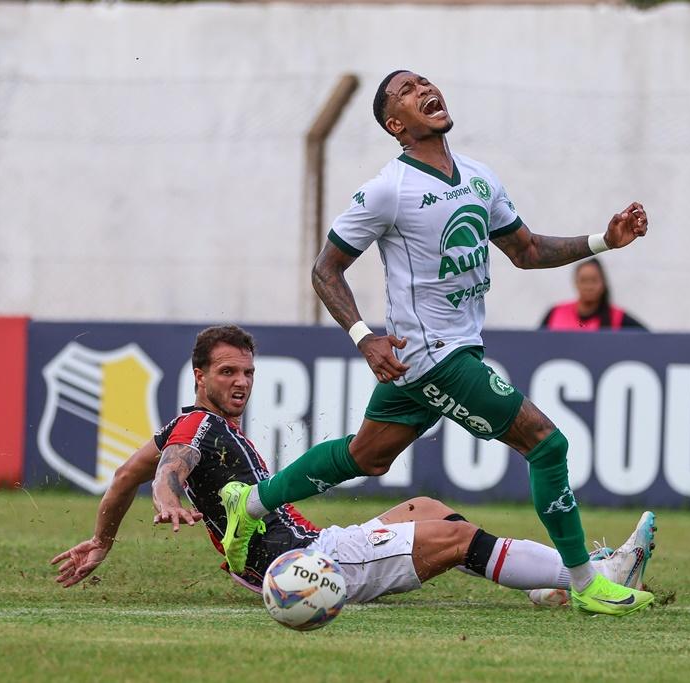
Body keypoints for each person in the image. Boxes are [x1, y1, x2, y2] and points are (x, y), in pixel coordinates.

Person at [218, 70, 654, 616]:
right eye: (406, 90)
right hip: (433, 358)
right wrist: (363, 338)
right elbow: (326, 271)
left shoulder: (479, 178)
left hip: (435, 357)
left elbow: (527, 250)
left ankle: (250, 502)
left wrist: (603, 241)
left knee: (366, 456)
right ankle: (587, 583)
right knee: (547, 444)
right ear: (396, 124)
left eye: (425, 81)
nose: (424, 88)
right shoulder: (387, 190)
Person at [50, 325, 657, 608]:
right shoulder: (198, 427)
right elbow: (165, 467)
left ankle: (549, 584)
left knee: (424, 509)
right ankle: (596, 573)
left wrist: (103, 539)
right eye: (227, 372)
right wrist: (167, 490)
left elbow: (128, 469)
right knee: (457, 537)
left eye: (248, 372)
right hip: (298, 566)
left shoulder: (204, 426)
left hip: (308, 542)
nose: (240, 383)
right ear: (199, 376)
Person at [541, 258, 647, 331]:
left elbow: (649, 340)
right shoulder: (555, 313)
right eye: (584, 280)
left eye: (594, 280)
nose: (589, 286)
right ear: (575, 283)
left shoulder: (618, 317)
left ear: (603, 283)